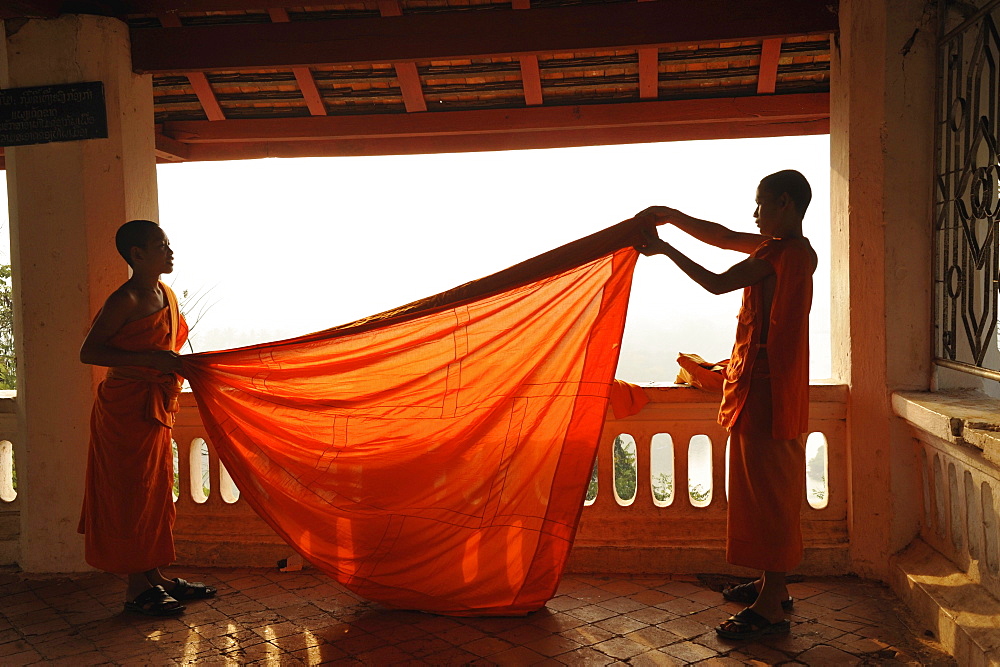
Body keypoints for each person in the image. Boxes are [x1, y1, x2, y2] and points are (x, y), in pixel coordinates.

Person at [633, 170, 816, 640]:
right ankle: (771, 585)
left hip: (768, 391)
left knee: (770, 496)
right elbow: (724, 237)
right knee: (766, 492)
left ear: (785, 204)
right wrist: (672, 218)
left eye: (760, 205)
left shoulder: (779, 254)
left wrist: (666, 249)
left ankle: (771, 607)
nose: (754, 215)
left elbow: (716, 282)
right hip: (774, 388)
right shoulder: (791, 250)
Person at [78, 219, 216, 616]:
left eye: (169, 243)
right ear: (138, 255)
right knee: (129, 494)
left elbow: (166, 347)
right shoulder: (127, 299)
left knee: (154, 493)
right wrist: (150, 360)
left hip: (155, 405)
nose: (169, 251)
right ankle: (136, 589)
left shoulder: (165, 294)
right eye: (161, 245)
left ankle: (154, 577)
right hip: (124, 409)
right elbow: (90, 353)